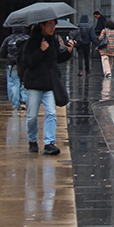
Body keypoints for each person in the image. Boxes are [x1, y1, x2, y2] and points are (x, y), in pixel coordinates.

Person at [22, 19, 74, 155]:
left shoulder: (53, 40)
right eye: (50, 25)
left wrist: (68, 52)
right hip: (34, 83)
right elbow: (28, 63)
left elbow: (56, 59)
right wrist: (41, 50)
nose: (53, 28)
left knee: (51, 113)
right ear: (42, 25)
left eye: (54, 25)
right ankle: (32, 140)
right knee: (32, 117)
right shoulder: (31, 42)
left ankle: (49, 143)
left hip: (49, 83)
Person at [0, 26, 29, 110]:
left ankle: (15, 104)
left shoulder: (8, 39)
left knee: (13, 83)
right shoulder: (28, 38)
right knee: (24, 83)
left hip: (13, 64)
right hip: (25, 65)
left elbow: (1, 53)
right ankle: (23, 100)